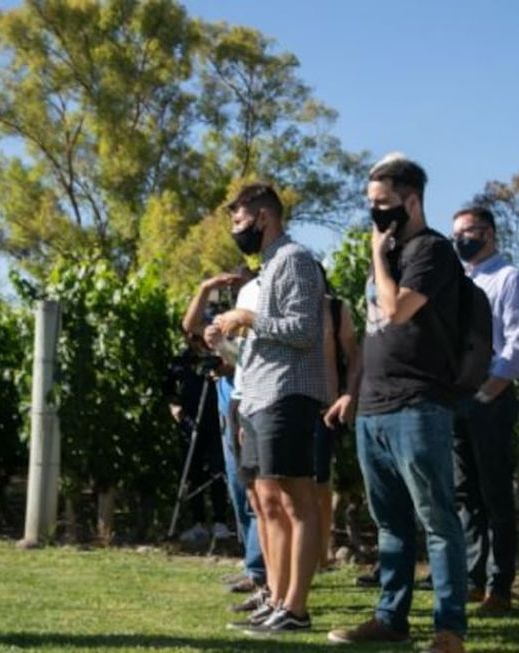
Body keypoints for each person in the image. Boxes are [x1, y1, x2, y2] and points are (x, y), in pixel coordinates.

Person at [326, 154, 468, 653]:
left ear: (412, 201)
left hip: (419, 405)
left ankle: (449, 630)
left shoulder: (431, 252)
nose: (376, 215)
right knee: (390, 522)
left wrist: (378, 257)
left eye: (384, 205)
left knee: (438, 521)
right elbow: (371, 333)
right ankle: (391, 617)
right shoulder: (386, 254)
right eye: (370, 206)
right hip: (374, 408)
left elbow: (396, 308)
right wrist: (352, 391)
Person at [213, 183, 326, 634]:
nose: (236, 231)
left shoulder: (295, 258)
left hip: (288, 394)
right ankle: (277, 599)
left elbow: (302, 330)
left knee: (297, 501)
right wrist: (225, 340)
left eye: (239, 221)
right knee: (269, 503)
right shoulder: (269, 267)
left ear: (263, 218)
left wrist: (248, 318)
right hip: (259, 398)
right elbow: (263, 346)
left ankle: (297, 609)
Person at [449, 206, 519, 614]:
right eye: (457, 234)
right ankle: (472, 577)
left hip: (489, 398)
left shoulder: (510, 279)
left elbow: (518, 346)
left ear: (490, 234)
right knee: (465, 494)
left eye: (469, 232)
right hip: (456, 398)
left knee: (495, 493)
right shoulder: (458, 283)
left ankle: (499, 586)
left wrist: (488, 390)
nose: (462, 240)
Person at [182, 268, 267, 595]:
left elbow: (244, 359)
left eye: (240, 275)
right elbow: (190, 328)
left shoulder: (255, 309)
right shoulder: (224, 313)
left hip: (248, 395)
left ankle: (262, 570)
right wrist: (206, 287)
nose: (233, 281)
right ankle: (253, 564)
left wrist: (226, 354)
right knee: (237, 486)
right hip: (226, 399)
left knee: (254, 488)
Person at [315, 264, 362, 570]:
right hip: (284, 408)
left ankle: (320, 554)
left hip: (325, 410)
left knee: (320, 483)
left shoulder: (334, 310)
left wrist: (349, 393)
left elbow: (354, 354)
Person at [164, 337, 231, 543]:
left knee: (218, 469)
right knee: (192, 471)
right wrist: (174, 406)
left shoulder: (220, 357)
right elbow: (167, 386)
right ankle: (198, 522)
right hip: (190, 421)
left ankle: (220, 521)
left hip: (216, 419)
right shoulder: (182, 358)